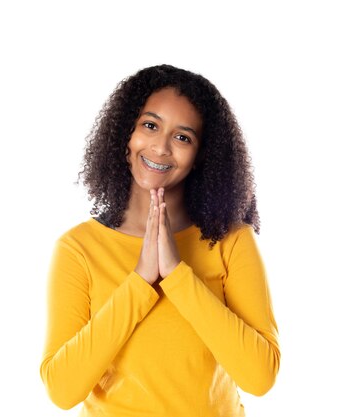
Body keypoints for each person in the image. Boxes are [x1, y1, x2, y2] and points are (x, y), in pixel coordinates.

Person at [40, 64, 280, 416]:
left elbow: (259, 378)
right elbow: (62, 390)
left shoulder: (231, 240)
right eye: (150, 125)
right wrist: (140, 281)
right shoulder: (78, 249)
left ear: (201, 157)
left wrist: (178, 275)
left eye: (183, 137)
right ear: (126, 135)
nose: (161, 147)